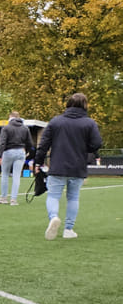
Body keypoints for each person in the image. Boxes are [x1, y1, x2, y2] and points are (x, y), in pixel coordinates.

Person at [34, 92, 102, 240]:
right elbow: (97, 144)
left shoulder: (55, 122)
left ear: (68, 104)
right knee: (73, 198)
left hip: (58, 165)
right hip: (78, 166)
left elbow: (43, 144)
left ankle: (53, 217)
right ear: (85, 105)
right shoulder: (90, 123)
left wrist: (38, 162)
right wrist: (86, 148)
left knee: (53, 196)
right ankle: (68, 229)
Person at [0, 111, 33, 206]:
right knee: (16, 176)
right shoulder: (25, 128)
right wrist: (28, 151)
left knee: (5, 174)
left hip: (8, 152)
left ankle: (4, 198)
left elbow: (2, 143)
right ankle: (14, 199)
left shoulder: (6, 128)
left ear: (10, 117)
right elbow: (30, 142)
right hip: (20, 152)